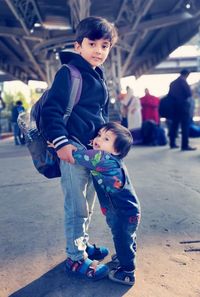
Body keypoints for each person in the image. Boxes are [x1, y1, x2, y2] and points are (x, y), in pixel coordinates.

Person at [41, 16, 118, 280]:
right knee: (76, 206)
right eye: (92, 43)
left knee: (88, 203)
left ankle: (82, 245)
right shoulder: (69, 73)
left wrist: (109, 141)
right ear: (78, 46)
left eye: (105, 45)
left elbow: (100, 114)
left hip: (92, 151)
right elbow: (51, 111)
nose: (98, 50)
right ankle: (75, 258)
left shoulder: (99, 75)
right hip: (73, 149)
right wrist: (62, 144)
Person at [49, 122, 141, 286]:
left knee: (122, 238)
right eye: (99, 135)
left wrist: (60, 144)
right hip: (127, 210)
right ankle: (124, 256)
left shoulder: (103, 159)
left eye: (106, 139)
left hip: (122, 212)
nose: (98, 139)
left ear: (117, 150)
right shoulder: (112, 159)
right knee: (126, 238)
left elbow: (78, 155)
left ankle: (127, 272)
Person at [168, 69, 196, 151]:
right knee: (185, 126)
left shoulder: (172, 83)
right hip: (183, 107)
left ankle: (172, 144)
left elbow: (170, 95)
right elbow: (188, 94)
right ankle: (184, 145)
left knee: (174, 126)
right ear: (187, 74)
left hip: (174, 108)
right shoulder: (183, 82)